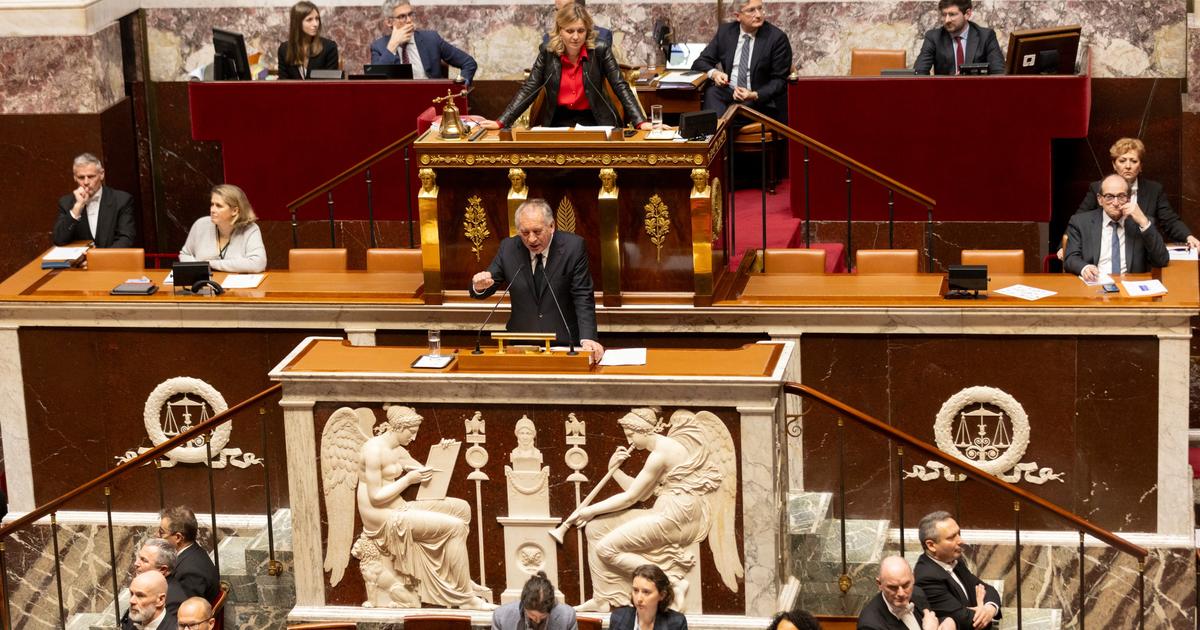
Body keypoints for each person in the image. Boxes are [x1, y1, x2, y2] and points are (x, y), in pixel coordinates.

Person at [470, 199, 603, 361]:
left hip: (563, 344)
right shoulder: (509, 248)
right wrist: (479, 285)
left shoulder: (573, 247)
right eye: (525, 233)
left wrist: (588, 337)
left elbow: (583, 296)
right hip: (521, 344)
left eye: (537, 232)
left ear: (552, 226)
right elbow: (485, 287)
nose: (531, 239)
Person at [482, 3, 648, 130]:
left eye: (581, 31)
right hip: (558, 120)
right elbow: (529, 88)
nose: (576, 37)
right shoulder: (547, 53)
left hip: (596, 119)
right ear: (559, 31)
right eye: (570, 31)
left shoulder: (600, 50)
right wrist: (501, 121)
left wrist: (640, 122)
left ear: (587, 31)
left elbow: (620, 86)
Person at [1073, 138, 1199, 250]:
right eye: (1122, 161)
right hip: (1106, 252)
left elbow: (1170, 221)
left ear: (1141, 166)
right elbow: (1079, 219)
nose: (1128, 166)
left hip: (1143, 254)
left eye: (1133, 161)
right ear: (1114, 165)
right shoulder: (1098, 187)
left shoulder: (1154, 190)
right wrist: (1064, 246)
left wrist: (1188, 236)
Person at [690, 0, 793, 124]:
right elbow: (700, 62)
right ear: (738, 16)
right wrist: (715, 74)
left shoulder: (776, 38)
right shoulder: (726, 32)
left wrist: (754, 94)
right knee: (712, 92)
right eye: (751, 10)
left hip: (758, 99)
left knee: (728, 114)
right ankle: (713, 132)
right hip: (730, 92)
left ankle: (715, 132)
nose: (759, 14)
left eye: (760, 8)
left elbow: (779, 81)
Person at [1063, 173, 1170, 281]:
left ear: (1128, 199)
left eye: (1121, 196)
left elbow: (1161, 260)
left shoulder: (1141, 223)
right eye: (1109, 196)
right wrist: (1084, 267)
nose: (1115, 203)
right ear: (1100, 199)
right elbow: (1070, 258)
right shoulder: (1080, 222)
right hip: (1094, 285)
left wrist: (1143, 221)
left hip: (1130, 288)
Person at [913, 511, 1001, 630]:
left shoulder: (954, 560)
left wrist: (988, 609)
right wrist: (981, 610)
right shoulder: (926, 577)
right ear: (931, 545)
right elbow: (965, 620)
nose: (961, 541)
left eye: (958, 533)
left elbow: (988, 589)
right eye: (951, 537)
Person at [369, 0, 478, 84]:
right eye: (402, 17)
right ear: (389, 22)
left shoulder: (431, 39)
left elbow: (468, 63)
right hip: (398, 104)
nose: (409, 20)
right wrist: (393, 45)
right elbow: (374, 82)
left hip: (432, 102)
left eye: (410, 14)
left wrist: (461, 87)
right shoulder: (379, 47)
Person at [53, 153, 136, 248]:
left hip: (111, 261)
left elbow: (126, 238)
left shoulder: (122, 200)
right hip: (82, 263)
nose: (86, 182)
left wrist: (100, 259)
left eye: (91, 176)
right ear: (74, 178)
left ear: (101, 175)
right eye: (81, 177)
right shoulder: (66, 202)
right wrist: (77, 208)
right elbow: (59, 240)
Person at [179, 184, 267, 273]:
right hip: (204, 284)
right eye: (212, 204)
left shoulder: (250, 229)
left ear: (235, 211)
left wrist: (210, 264)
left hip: (236, 285)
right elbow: (185, 254)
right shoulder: (201, 225)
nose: (212, 210)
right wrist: (198, 269)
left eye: (218, 206)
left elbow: (257, 264)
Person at [859, 556, 953, 630]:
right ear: (879, 584)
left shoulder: (917, 592)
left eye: (905, 585)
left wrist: (948, 621)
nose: (901, 593)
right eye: (893, 587)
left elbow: (931, 621)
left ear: (913, 578)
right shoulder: (870, 625)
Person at [913, 0, 1004, 76]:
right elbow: (919, 72)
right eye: (944, 15)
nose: (947, 20)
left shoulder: (986, 36)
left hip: (977, 92)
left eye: (952, 14)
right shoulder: (934, 37)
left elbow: (998, 72)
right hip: (945, 93)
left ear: (967, 14)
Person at [159, 506, 221, 603]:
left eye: (161, 532)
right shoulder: (194, 551)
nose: (157, 536)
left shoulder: (190, 573)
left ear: (178, 537)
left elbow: (185, 613)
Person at [608, 564, 688, 630]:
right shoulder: (618, 617)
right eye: (635, 590)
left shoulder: (676, 623)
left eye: (646, 592)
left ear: (662, 595)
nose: (639, 599)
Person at [490, 570, 577, 630]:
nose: (537, 620)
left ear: (552, 607)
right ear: (524, 605)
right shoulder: (500, 617)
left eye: (542, 616)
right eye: (532, 615)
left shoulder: (567, 617)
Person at [278, 1, 339, 79]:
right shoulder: (284, 49)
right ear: (297, 23)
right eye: (309, 19)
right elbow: (283, 83)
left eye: (317, 19)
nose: (315, 24)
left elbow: (331, 84)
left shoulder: (329, 47)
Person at [131, 538, 186, 617]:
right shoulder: (145, 587)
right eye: (139, 557)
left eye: (144, 560)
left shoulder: (172, 601)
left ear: (163, 569)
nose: (136, 563)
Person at [542, 0, 612, 49]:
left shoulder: (602, 36)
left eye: (565, 10)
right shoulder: (548, 39)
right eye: (557, 10)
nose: (558, 15)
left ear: (580, 10)